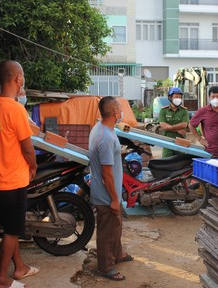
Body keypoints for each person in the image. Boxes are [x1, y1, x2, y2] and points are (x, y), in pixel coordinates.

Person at [0, 60, 39, 288]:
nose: (24, 80)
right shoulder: (16, 108)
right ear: (18, 78)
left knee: (11, 228)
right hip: (13, 179)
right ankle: (1, 278)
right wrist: (34, 167)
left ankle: (19, 267)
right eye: (23, 76)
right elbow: (28, 147)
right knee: (11, 231)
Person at [89, 96, 132, 281]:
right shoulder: (105, 137)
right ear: (114, 113)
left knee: (116, 225)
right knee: (108, 230)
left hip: (108, 191)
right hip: (106, 194)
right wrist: (114, 199)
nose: (122, 111)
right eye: (120, 109)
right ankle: (106, 267)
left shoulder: (101, 128)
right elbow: (107, 174)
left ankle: (119, 253)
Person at [189, 86, 218, 158]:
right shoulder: (202, 111)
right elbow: (191, 125)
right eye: (213, 97)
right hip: (210, 150)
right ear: (209, 97)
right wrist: (200, 139)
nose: (215, 99)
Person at [158, 87, 189, 158]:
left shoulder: (184, 111)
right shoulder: (164, 110)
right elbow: (163, 126)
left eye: (180, 97)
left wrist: (170, 127)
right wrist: (177, 129)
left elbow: (184, 124)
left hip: (181, 141)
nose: (178, 99)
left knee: (181, 163)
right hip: (167, 141)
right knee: (166, 162)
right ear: (170, 98)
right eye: (176, 97)